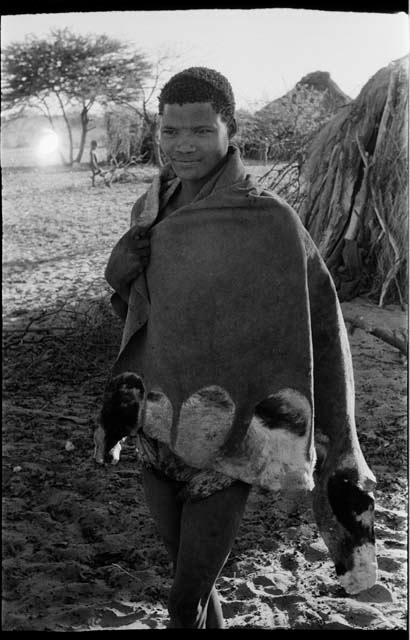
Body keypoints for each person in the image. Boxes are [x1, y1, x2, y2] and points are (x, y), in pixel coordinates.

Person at [102, 67, 376, 628]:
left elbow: (316, 320)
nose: (182, 145)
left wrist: (330, 427)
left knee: (183, 601)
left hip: (233, 438)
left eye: (200, 131)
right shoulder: (150, 209)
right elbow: (140, 312)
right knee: (191, 582)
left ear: (231, 129)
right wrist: (117, 273)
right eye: (170, 130)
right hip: (160, 426)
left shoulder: (269, 220)